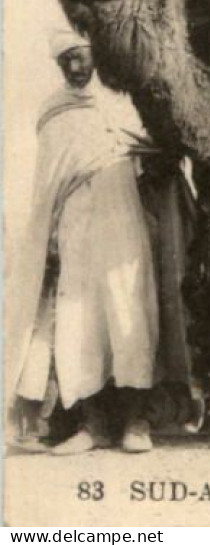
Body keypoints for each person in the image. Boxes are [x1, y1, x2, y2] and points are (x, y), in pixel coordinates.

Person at [6, 31, 161, 455]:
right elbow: (48, 183)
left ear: (96, 54)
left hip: (123, 222)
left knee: (129, 314)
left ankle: (136, 421)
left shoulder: (124, 99)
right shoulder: (54, 111)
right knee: (78, 322)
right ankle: (91, 426)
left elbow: (154, 149)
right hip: (75, 227)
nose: (74, 68)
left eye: (80, 57)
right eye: (65, 62)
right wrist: (51, 235)